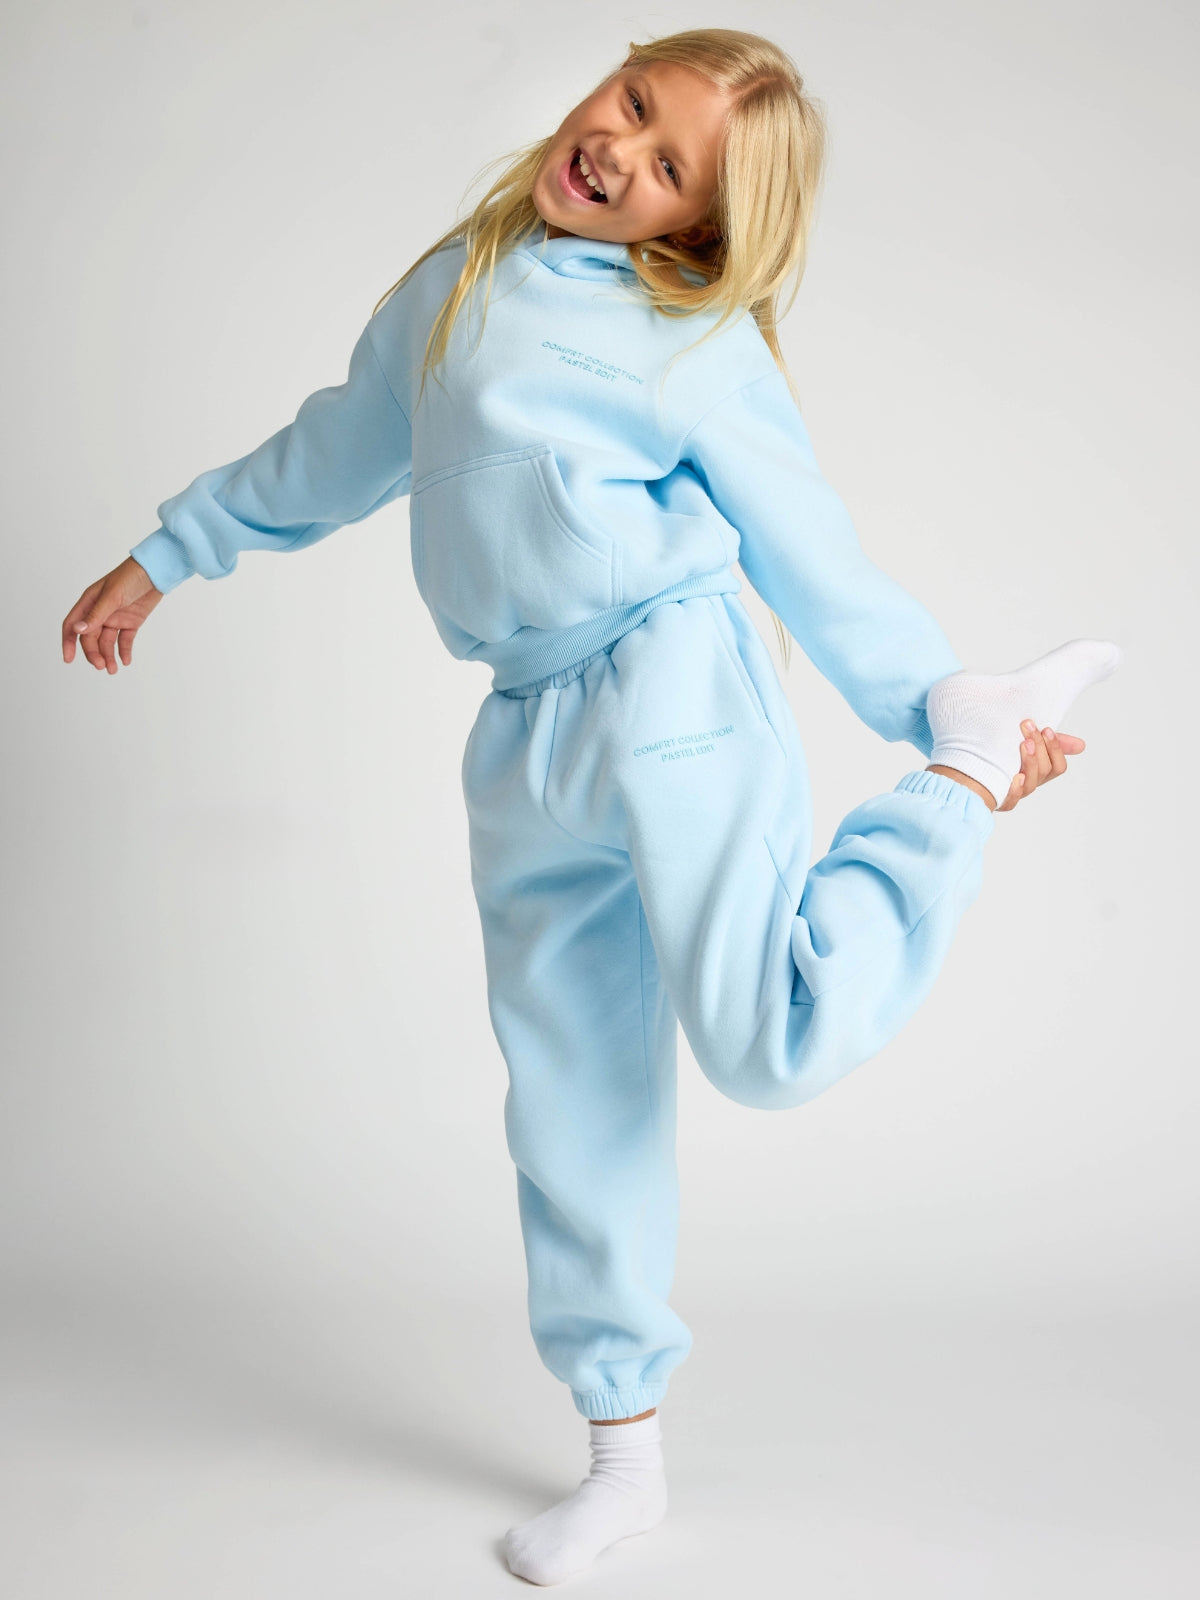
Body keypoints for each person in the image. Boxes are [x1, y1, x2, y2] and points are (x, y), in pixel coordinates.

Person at [61, 28, 1122, 1587]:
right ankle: (624, 1456)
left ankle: (954, 788)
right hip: (522, 728)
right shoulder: (453, 288)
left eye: (669, 161)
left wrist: (941, 709)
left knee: (767, 1044)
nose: (619, 147)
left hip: (670, 694)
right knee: (570, 1098)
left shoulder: (694, 338)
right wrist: (169, 555)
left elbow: (808, 549)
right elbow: (332, 453)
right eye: (631, 103)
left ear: (696, 224)